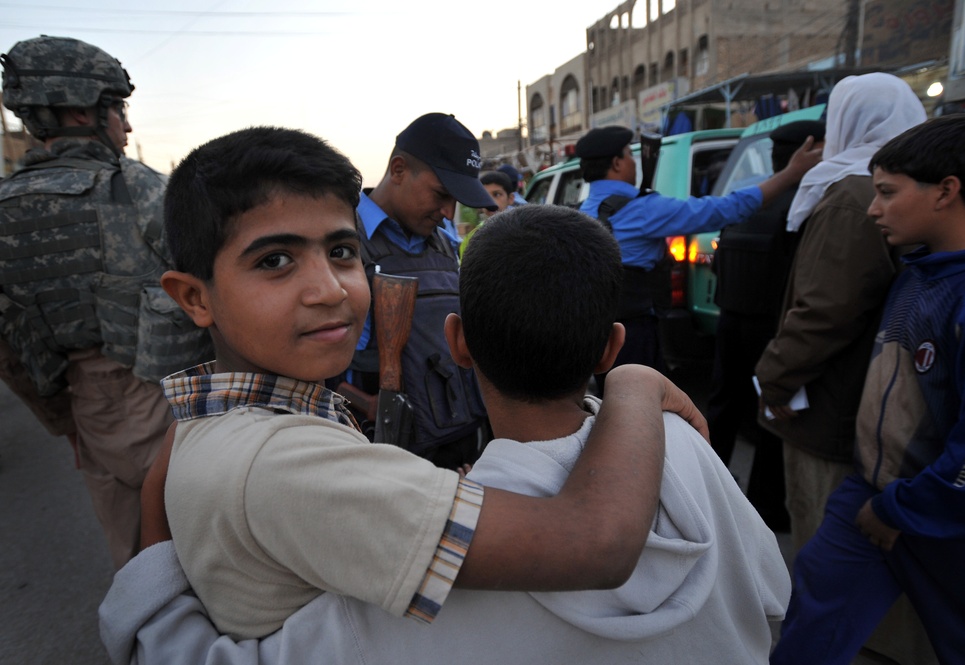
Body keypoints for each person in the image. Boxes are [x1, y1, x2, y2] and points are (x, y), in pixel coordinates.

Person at [100, 204, 787, 665]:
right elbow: (770, 591)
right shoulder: (681, 442)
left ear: (457, 342)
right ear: (609, 347)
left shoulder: (426, 566)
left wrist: (151, 556)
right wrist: (634, 385)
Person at [143, 125, 705, 642]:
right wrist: (631, 382)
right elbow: (595, 545)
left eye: (341, 252)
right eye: (274, 261)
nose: (330, 290)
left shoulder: (226, 423)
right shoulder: (287, 463)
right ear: (193, 296)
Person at [771, 114, 965, 664]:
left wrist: (903, 509)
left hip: (948, 516)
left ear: (947, 192)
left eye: (887, 193)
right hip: (873, 495)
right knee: (811, 616)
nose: (873, 209)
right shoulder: (916, 274)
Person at [0, 35, 211, 569]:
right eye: (117, 109)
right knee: (209, 556)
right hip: (168, 400)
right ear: (78, 111)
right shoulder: (137, 190)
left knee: (136, 567)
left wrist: (65, 421)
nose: (127, 126)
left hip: (85, 409)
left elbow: (8, 350)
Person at [754, 73, 934, 664]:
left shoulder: (854, 195)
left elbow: (822, 312)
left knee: (834, 565)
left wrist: (773, 380)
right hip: (892, 412)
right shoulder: (913, 191)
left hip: (834, 414)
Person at [576, 124, 821, 391]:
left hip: (599, 328)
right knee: (639, 403)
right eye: (629, 155)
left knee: (610, 401)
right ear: (616, 163)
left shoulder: (585, 210)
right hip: (635, 331)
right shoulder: (643, 209)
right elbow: (724, 210)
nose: (635, 164)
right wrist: (790, 175)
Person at [340, 113, 492, 468]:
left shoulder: (444, 244)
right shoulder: (341, 240)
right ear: (398, 170)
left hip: (458, 444)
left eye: (456, 200)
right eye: (441, 194)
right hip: (377, 450)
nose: (448, 212)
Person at [706, 119, 825, 532]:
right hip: (773, 328)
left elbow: (721, 262)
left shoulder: (751, 199)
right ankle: (766, 506)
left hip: (730, 320)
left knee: (723, 408)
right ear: (810, 150)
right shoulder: (806, 202)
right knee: (774, 416)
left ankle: (707, 487)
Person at [459, 170, 515, 257]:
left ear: (510, 198)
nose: (490, 202)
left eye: (497, 194)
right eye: (485, 196)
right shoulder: (472, 238)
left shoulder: (521, 231)